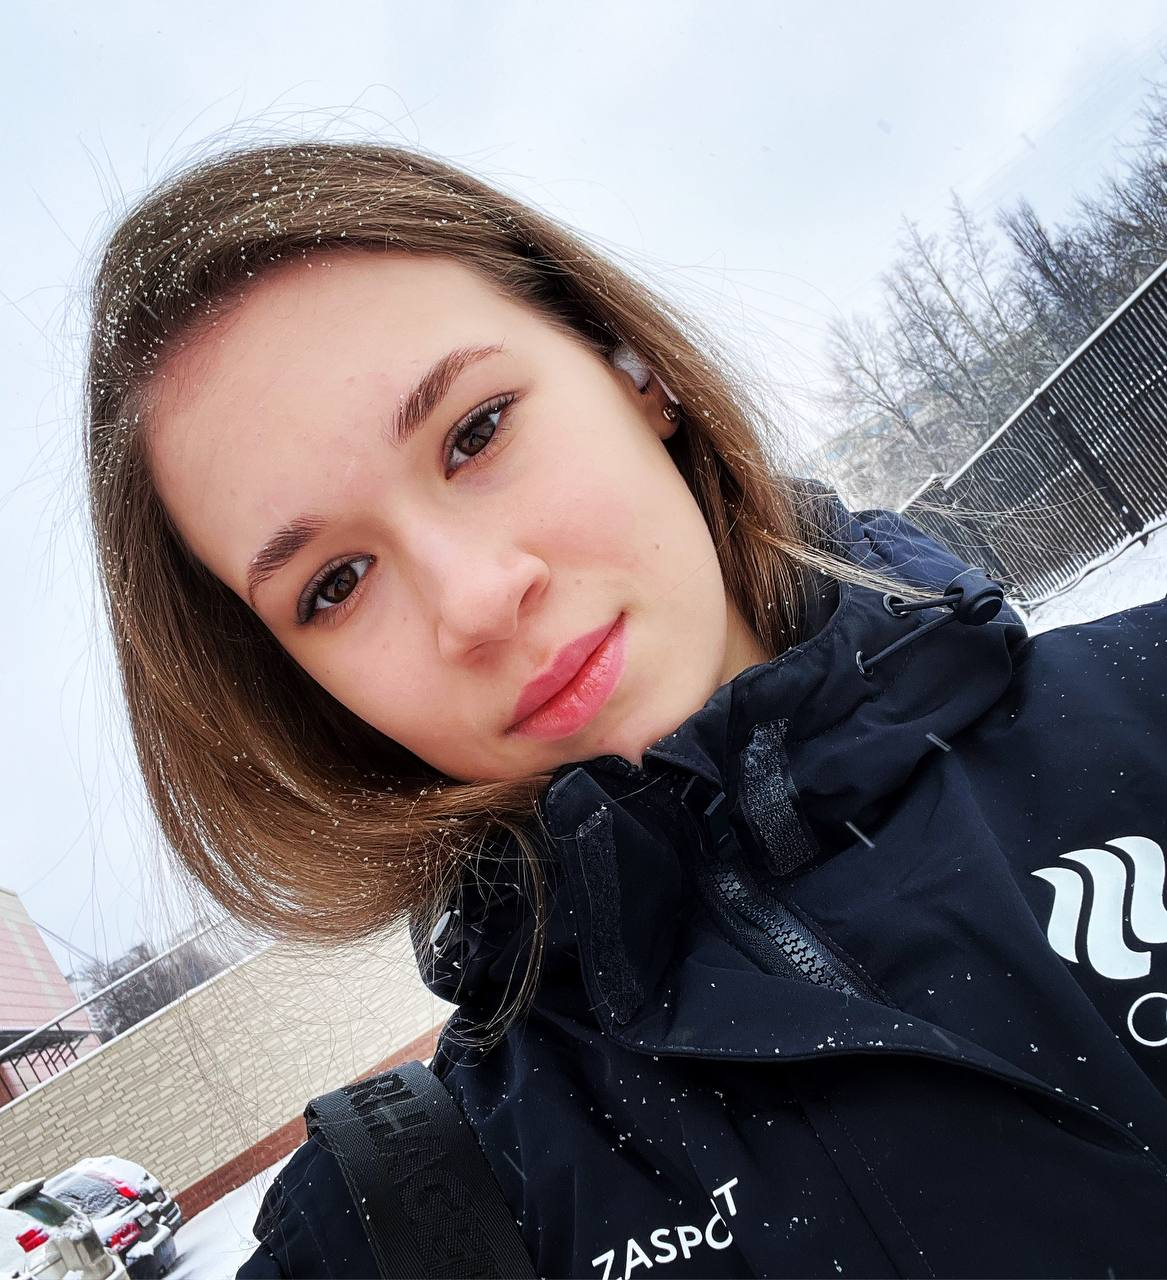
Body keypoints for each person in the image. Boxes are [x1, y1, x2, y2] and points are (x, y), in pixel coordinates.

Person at [83, 140, 1167, 1280]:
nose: (477, 601)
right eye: (336, 584)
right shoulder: (406, 1223)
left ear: (633, 371)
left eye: (476, 431)